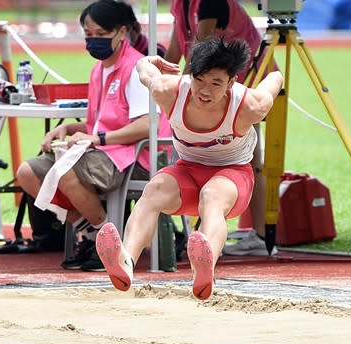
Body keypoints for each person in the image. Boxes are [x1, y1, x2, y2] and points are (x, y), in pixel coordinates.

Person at [96, 38, 283, 300]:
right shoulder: (169, 91)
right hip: (188, 172)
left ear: (231, 83)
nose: (205, 91)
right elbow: (144, 71)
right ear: (189, 75)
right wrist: (148, 60)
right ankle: (126, 262)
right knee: (154, 189)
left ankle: (204, 268)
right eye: (199, 80)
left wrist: (276, 75)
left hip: (233, 177)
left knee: (212, 195)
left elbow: (274, 79)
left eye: (216, 83)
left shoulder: (249, 106)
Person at [15, 0, 164, 272]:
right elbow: (97, 123)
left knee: (66, 171)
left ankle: (105, 239)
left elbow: (147, 125)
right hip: (100, 152)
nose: (93, 41)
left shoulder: (137, 68)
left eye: (100, 34)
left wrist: (99, 139)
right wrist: (68, 129)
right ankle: (98, 236)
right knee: (27, 172)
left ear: (121, 32)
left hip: (133, 157)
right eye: (88, 35)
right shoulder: (99, 69)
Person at [163, 0, 274, 256]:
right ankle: (215, 231)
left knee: (251, 157)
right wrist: (160, 74)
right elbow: (174, 50)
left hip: (245, 82)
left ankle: (259, 234)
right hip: (211, 87)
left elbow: (201, 50)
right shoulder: (180, 0)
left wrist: (182, 88)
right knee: (211, 156)